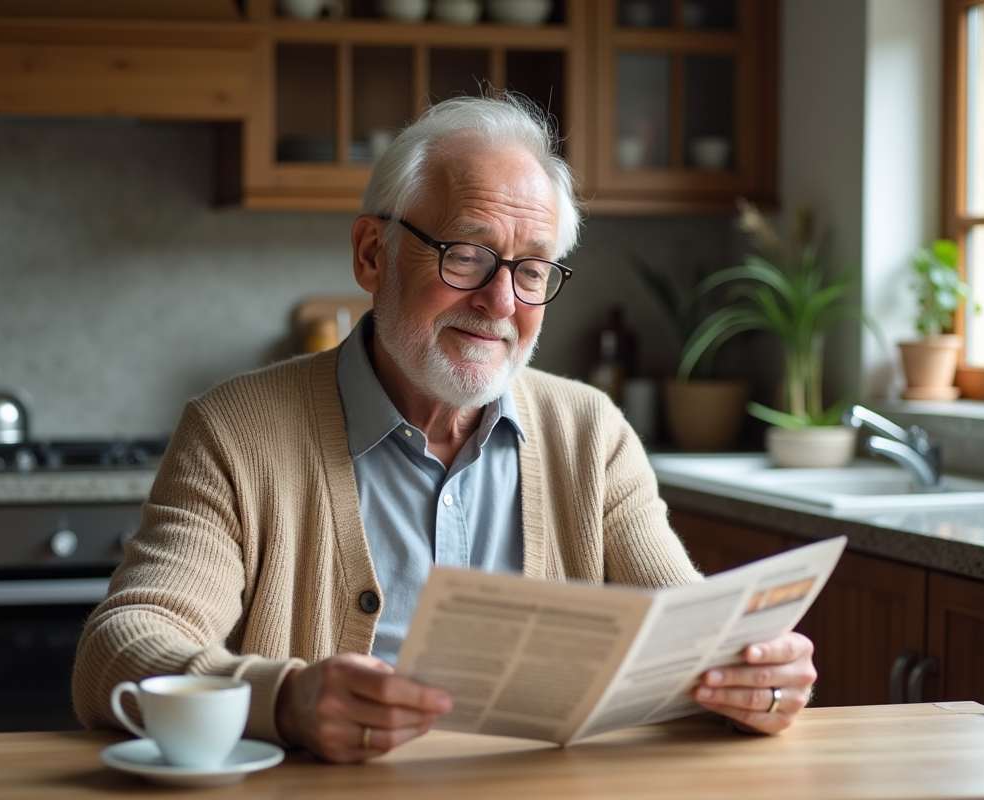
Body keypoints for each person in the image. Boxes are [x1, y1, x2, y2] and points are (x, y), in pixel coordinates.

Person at [72, 93, 817, 763]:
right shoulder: (234, 433)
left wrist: (753, 678)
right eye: (467, 254)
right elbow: (120, 648)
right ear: (373, 253)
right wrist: (287, 702)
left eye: (532, 269)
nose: (501, 301)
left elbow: (691, 636)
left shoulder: (592, 433)